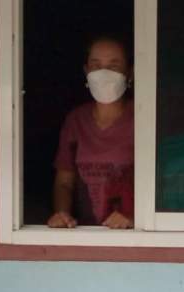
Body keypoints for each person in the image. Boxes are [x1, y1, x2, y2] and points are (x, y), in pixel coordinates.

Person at [46, 35, 134, 229]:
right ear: (86, 71)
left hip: (131, 234)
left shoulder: (143, 119)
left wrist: (134, 218)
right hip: (86, 233)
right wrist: (63, 215)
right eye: (96, 66)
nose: (104, 73)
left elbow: (162, 183)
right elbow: (64, 182)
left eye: (114, 66)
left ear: (130, 72)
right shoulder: (76, 120)